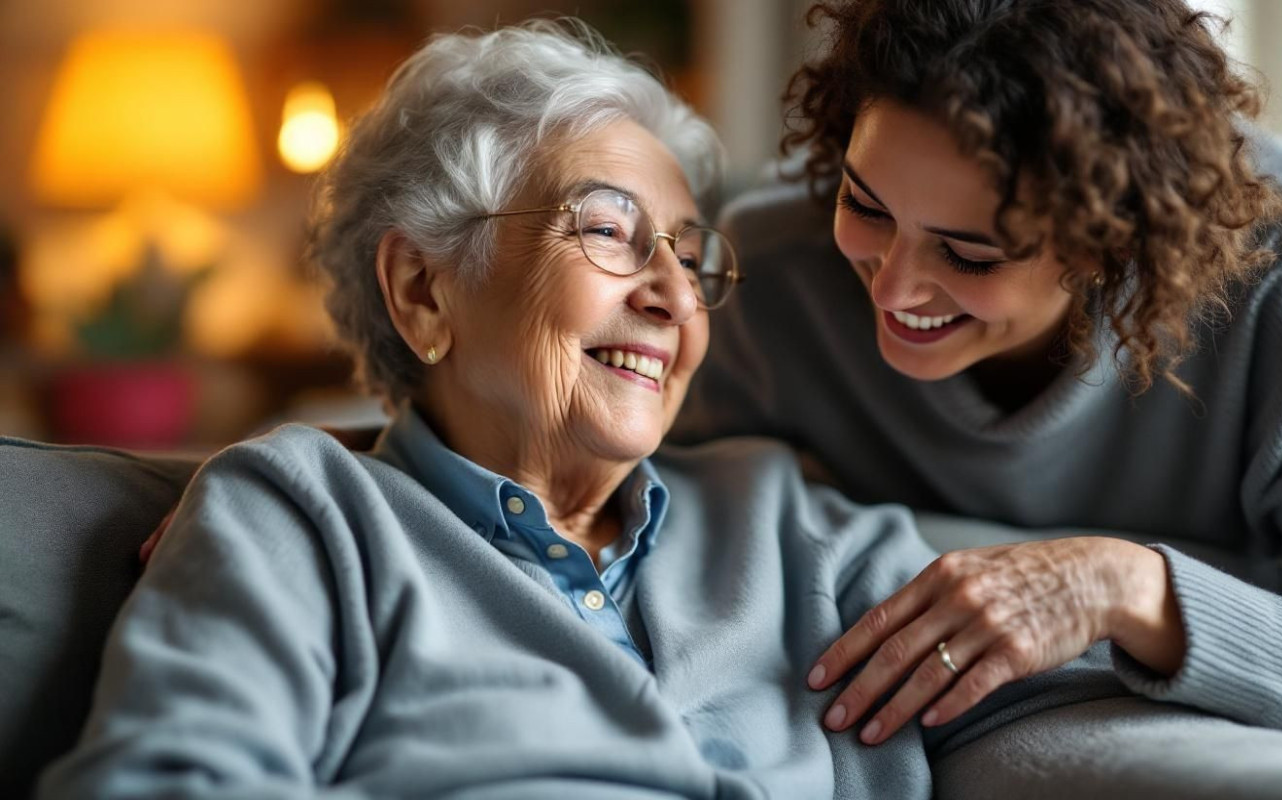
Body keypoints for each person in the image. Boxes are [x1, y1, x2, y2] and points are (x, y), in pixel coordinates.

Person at [39, 22, 937, 799]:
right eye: (607, 230)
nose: (675, 296)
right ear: (423, 289)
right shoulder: (304, 519)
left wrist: (1042, 578)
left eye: (691, 258)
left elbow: (1017, 679)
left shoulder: (781, 519)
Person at [672, 0, 1282, 754]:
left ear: (1112, 238)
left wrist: (1119, 586)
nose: (890, 289)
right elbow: (652, 534)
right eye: (866, 205)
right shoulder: (771, 272)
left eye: (969, 255)